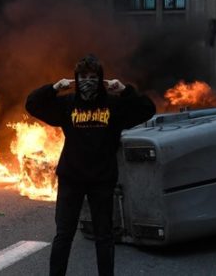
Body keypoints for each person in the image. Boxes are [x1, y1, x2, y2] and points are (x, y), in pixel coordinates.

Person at [25, 54, 156, 276]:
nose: (88, 80)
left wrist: (125, 90)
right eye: (83, 76)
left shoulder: (115, 106)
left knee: (104, 236)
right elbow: (32, 104)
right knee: (64, 235)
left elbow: (147, 109)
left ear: (101, 79)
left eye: (93, 76)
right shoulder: (67, 105)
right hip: (71, 178)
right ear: (76, 78)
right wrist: (55, 87)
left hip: (101, 180)